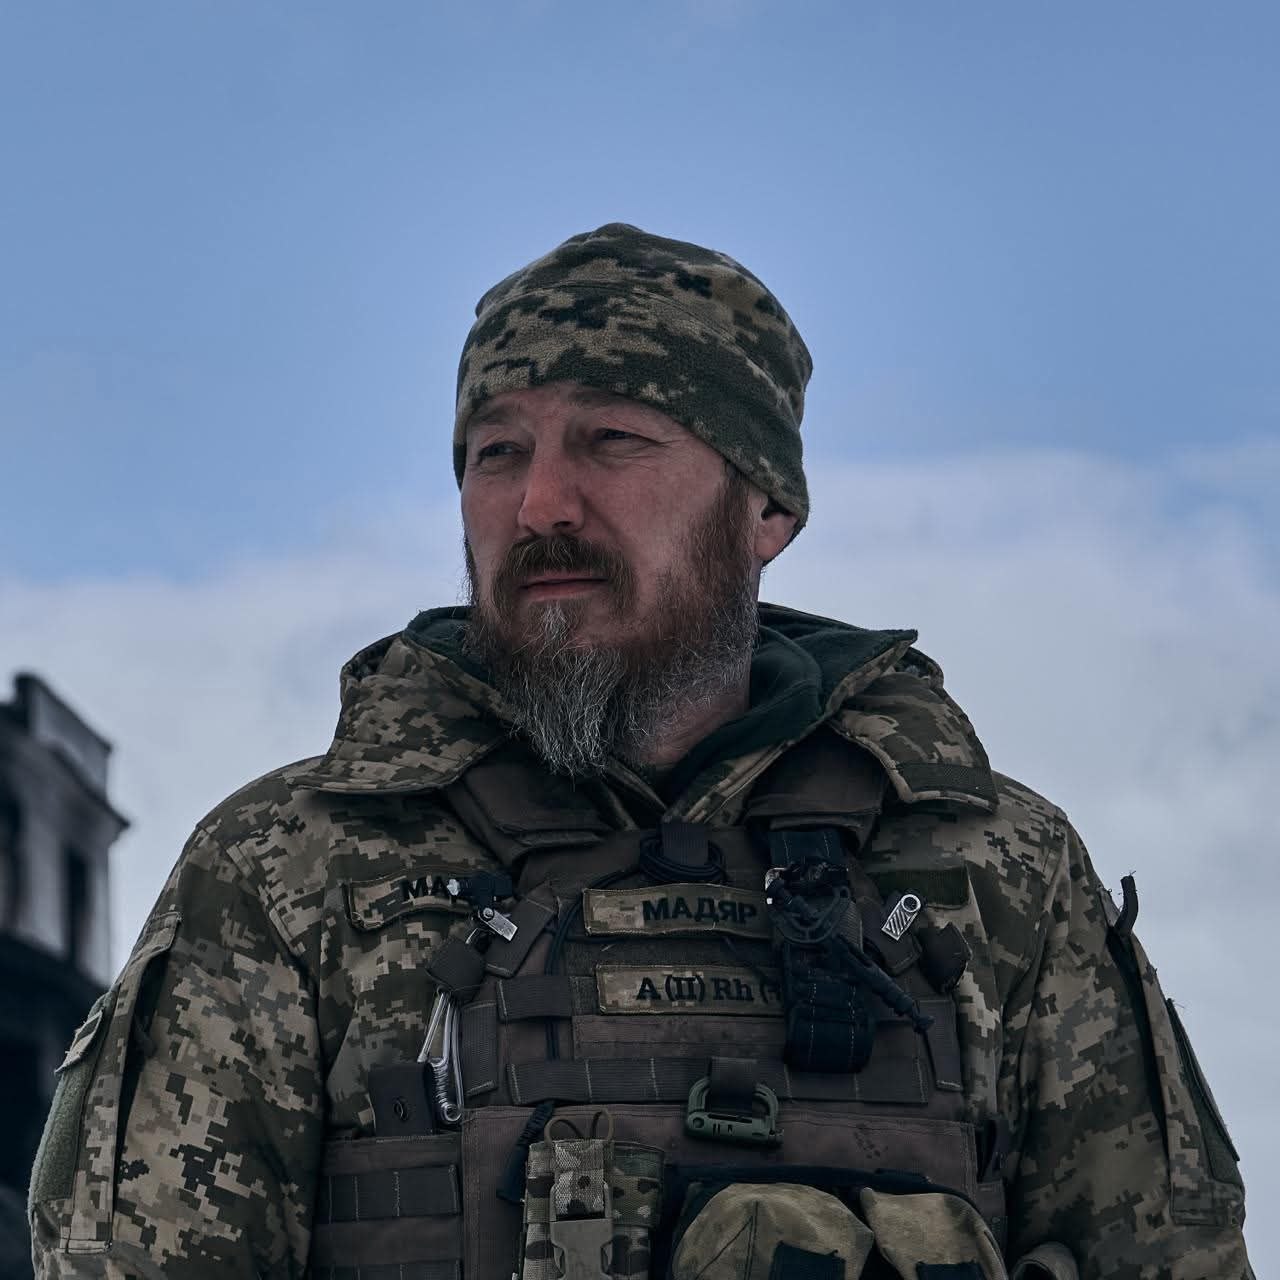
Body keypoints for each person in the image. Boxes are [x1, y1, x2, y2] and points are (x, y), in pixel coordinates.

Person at [29, 224, 1251, 1279]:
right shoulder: (289, 868)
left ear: (765, 505)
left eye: (611, 438)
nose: (540, 504)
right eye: (497, 450)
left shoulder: (997, 869)